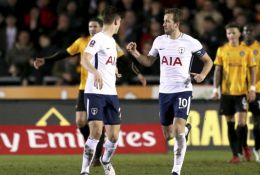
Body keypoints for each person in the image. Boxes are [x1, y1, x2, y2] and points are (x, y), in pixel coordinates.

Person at [33, 18, 146, 167]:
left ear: (101, 27)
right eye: (89, 26)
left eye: (95, 26)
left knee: (98, 125)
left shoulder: (109, 41)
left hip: (102, 89)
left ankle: (97, 154)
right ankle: (93, 143)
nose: (92, 29)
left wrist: (138, 74)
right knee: (80, 121)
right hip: (85, 88)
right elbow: (65, 53)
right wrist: (46, 60)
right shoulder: (82, 42)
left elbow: (124, 59)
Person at [127, 8, 213, 175]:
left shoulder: (190, 42)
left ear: (177, 24)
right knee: (168, 135)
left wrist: (202, 75)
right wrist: (135, 53)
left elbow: (208, 61)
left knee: (178, 128)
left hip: (183, 89)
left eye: (167, 21)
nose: (163, 23)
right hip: (165, 92)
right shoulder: (159, 41)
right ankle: (186, 130)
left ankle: (176, 170)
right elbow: (148, 61)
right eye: (164, 20)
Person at [80, 6, 122, 175]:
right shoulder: (98, 38)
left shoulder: (111, 41)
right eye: (120, 24)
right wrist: (95, 71)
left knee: (113, 136)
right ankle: (84, 170)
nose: (120, 26)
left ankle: (106, 161)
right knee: (96, 131)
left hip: (111, 93)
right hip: (95, 91)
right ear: (116, 22)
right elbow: (84, 59)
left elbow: (108, 62)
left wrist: (114, 71)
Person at [212, 23, 256, 164]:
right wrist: (215, 90)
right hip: (226, 93)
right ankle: (236, 155)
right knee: (230, 124)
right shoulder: (222, 50)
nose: (231, 35)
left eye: (233, 33)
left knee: (242, 123)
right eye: (228, 33)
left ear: (239, 34)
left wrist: (253, 88)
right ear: (226, 35)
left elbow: (252, 70)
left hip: (241, 92)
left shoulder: (247, 51)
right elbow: (217, 71)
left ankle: (244, 147)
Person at [242, 24, 260, 162]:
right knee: (241, 123)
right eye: (245, 31)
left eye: (250, 31)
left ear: (254, 33)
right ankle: (244, 150)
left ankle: (257, 149)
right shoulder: (237, 47)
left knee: (258, 123)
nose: (248, 33)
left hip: (257, 89)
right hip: (240, 91)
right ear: (242, 33)